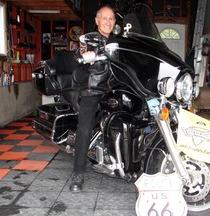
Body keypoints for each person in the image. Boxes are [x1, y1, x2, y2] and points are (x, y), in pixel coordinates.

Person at [69, 5, 116, 192]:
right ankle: (78, 173)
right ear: (97, 21)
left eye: (111, 18)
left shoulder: (117, 42)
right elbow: (80, 54)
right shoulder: (87, 40)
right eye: (104, 18)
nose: (108, 22)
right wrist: (86, 55)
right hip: (93, 89)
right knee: (85, 128)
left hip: (115, 89)